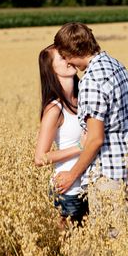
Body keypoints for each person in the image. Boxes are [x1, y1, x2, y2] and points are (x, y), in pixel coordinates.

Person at [53, 22, 128, 225]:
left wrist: (71, 175)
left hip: (108, 177)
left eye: (65, 56)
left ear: (73, 51)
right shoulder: (116, 65)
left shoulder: (91, 80)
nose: (67, 62)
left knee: (110, 243)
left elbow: (95, 139)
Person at [34, 44, 88, 227]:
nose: (68, 60)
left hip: (89, 185)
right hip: (68, 191)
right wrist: (79, 148)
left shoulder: (85, 98)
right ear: (51, 69)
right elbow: (40, 158)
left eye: (68, 55)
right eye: (61, 58)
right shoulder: (55, 108)